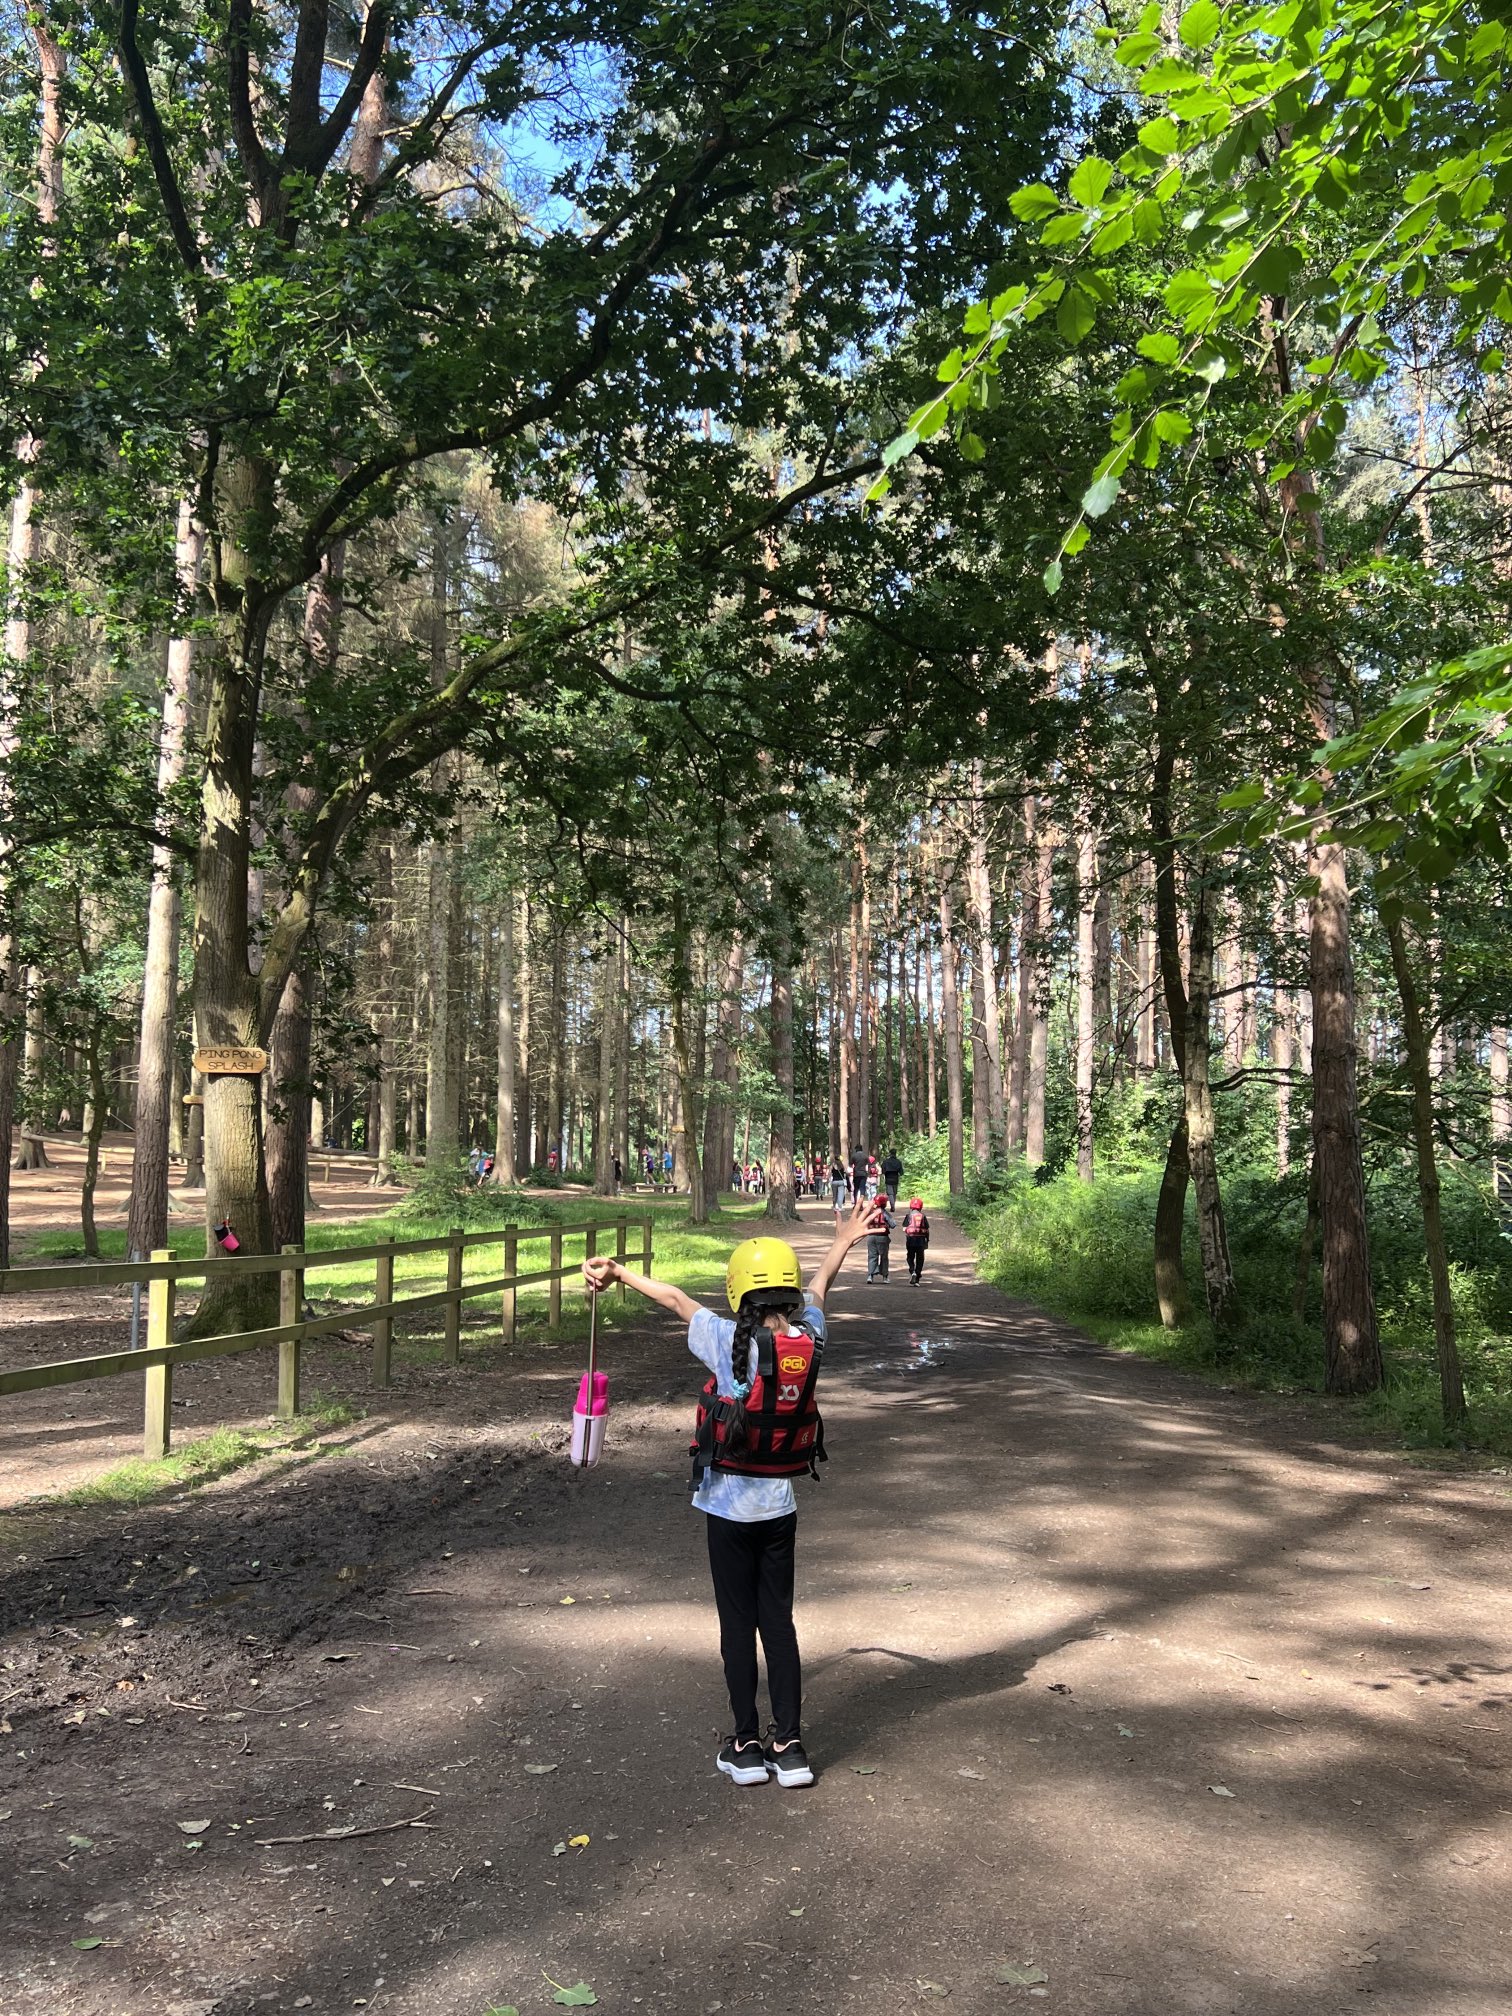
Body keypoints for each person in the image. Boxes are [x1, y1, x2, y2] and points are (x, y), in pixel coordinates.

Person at [584, 1198, 876, 1788]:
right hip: (779, 1507)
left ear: (737, 1291)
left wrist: (618, 1272)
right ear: (789, 1293)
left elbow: (674, 1298)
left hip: (726, 1508)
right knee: (779, 1625)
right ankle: (790, 1748)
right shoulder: (810, 1339)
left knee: (737, 1625)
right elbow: (820, 1290)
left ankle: (745, 1745)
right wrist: (843, 1240)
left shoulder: (722, 1338)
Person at [865, 1196, 895, 1282]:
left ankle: (870, 1276)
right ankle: (885, 1277)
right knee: (884, 1257)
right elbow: (893, 1225)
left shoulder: (871, 1213)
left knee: (872, 1256)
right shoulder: (885, 1213)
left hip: (871, 1237)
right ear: (884, 1204)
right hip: (882, 1237)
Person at [902, 1196, 931, 1283]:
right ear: (921, 1206)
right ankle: (917, 1275)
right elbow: (927, 1230)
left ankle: (912, 1271)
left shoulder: (908, 1216)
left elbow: (904, 1228)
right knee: (920, 1258)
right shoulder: (923, 1216)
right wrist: (927, 1240)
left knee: (910, 1257)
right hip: (921, 1240)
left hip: (911, 1240)